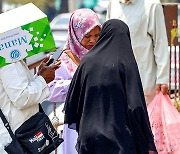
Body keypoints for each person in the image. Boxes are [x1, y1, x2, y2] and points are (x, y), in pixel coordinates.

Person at [64, 19, 157, 154]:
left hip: (89, 139)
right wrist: (145, 138)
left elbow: (73, 102)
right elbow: (136, 105)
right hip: (119, 140)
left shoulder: (87, 62)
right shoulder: (126, 64)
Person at [47, 8, 101, 154]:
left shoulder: (102, 55)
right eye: (87, 35)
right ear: (75, 34)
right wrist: (76, 84)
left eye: (97, 35)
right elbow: (50, 91)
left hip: (100, 121)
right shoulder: (62, 59)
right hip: (75, 125)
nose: (93, 40)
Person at [106, 0, 169, 104]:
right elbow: (108, 38)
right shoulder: (112, 4)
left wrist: (162, 79)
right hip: (117, 81)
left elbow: (160, 42)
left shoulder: (152, 5)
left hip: (144, 82)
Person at [0, 56, 60, 154]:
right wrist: (43, 79)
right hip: (19, 136)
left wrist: (39, 76)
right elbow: (22, 98)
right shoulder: (7, 58)